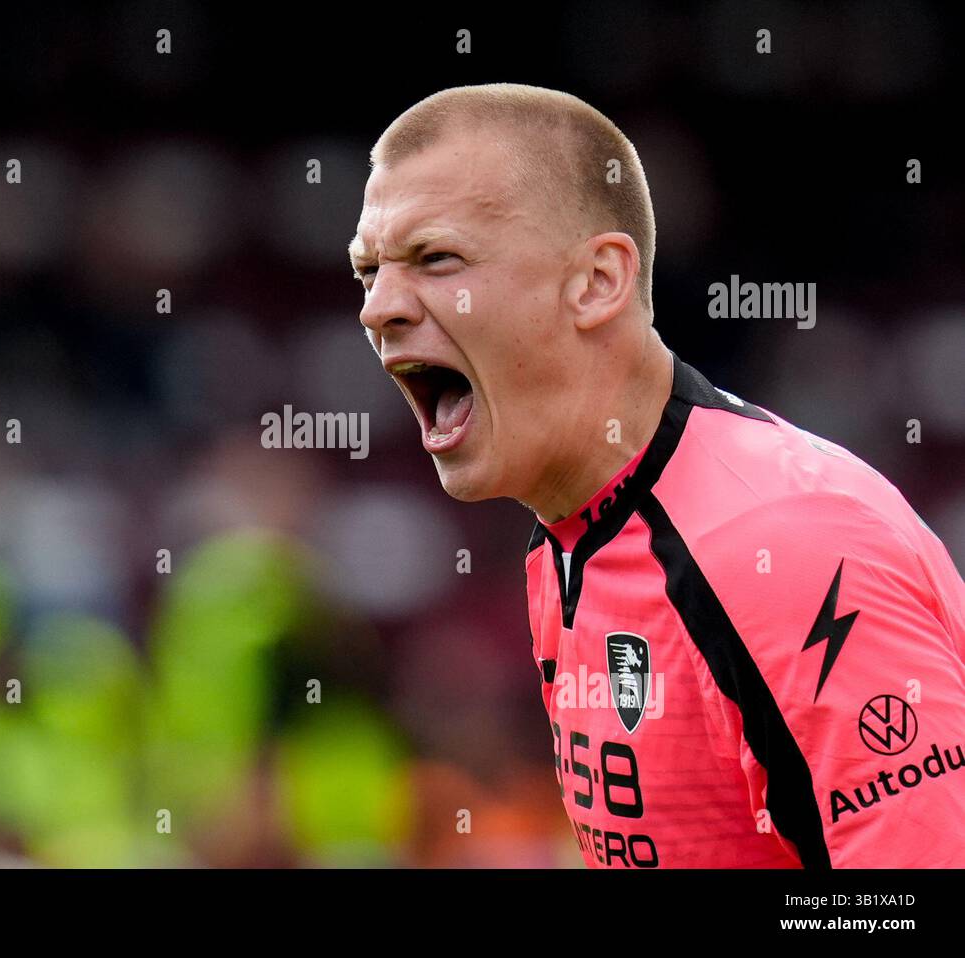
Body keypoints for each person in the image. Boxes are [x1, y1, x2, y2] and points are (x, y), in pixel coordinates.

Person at [349, 83, 965, 867]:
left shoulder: (785, 548)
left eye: (437, 258)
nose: (377, 309)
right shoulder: (568, 537)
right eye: (368, 271)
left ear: (598, 281)